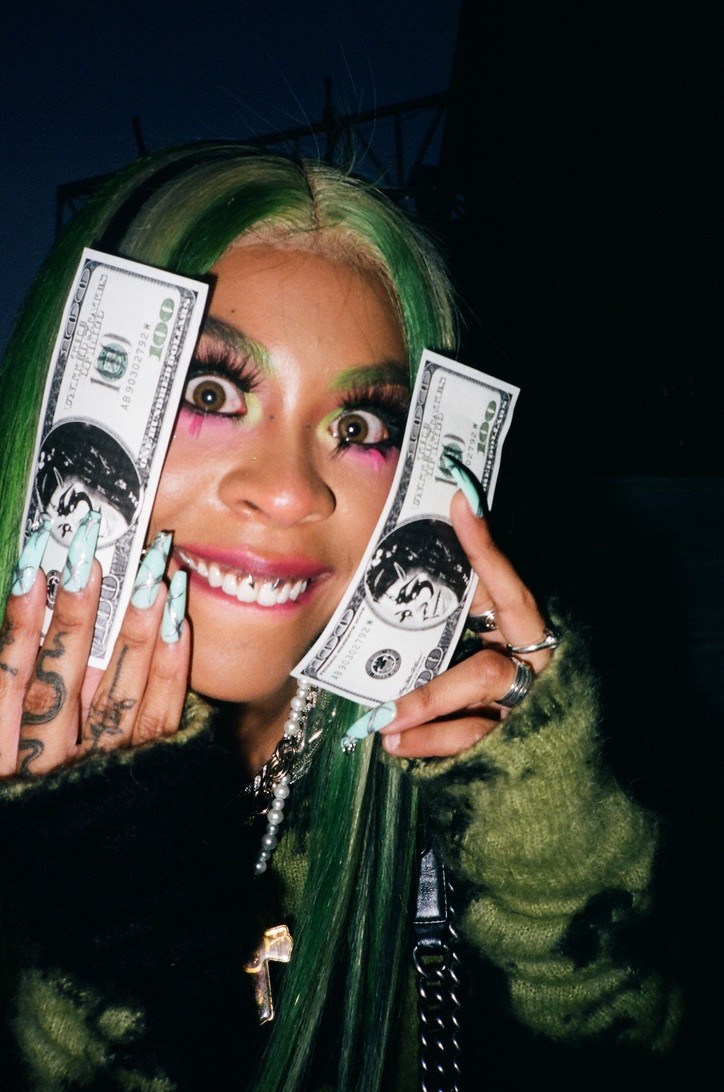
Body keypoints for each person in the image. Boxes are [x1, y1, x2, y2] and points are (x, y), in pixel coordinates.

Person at [0, 144, 678, 1090]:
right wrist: (100, 919)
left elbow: (636, 1052)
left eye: (356, 428)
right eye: (210, 394)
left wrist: (548, 849)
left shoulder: (466, 780)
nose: (290, 493)